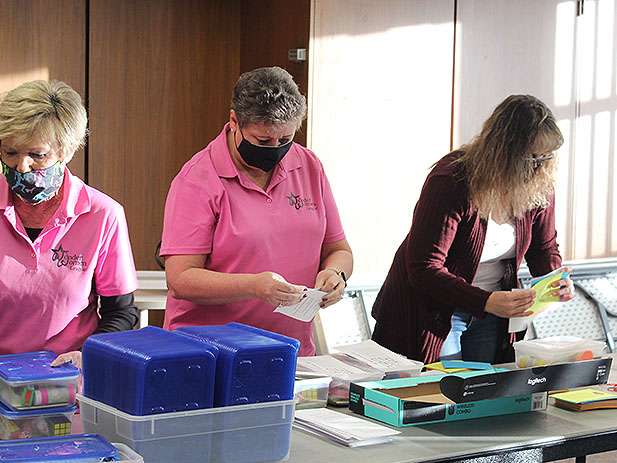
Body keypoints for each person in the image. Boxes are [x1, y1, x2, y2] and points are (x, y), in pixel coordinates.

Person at [0, 80, 139, 427]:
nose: (22, 167)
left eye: (37, 155)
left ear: (66, 150)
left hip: (69, 399)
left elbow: (121, 313)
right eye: (10, 153)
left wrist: (88, 355)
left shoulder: (102, 214)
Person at [160, 66, 353, 356]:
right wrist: (253, 286)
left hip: (290, 352)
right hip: (209, 354)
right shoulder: (198, 179)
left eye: (285, 140)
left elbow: (339, 248)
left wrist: (335, 273)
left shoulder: (309, 166)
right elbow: (181, 279)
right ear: (234, 121)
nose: (275, 149)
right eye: (263, 141)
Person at [372, 94, 573, 365]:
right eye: (530, 158)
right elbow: (423, 267)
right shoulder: (452, 180)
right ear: (503, 153)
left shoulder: (539, 183)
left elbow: (544, 248)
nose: (538, 166)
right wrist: (485, 301)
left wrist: (555, 279)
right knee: (441, 395)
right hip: (434, 310)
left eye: (545, 157)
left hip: (494, 310)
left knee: (484, 395)